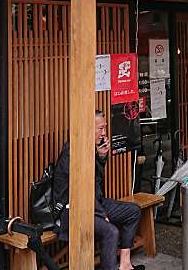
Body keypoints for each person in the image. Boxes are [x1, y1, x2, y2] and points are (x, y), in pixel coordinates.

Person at [53, 110, 144, 270]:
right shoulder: (73, 152)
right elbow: (81, 192)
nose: (104, 133)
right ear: (88, 129)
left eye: (104, 128)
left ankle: (125, 264)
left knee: (133, 211)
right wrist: (101, 214)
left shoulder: (91, 148)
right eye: (100, 128)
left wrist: (101, 157)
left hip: (94, 204)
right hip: (73, 211)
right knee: (111, 231)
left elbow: (96, 184)